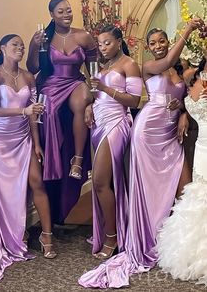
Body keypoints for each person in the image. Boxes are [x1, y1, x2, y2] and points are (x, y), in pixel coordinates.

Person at [79, 18, 204, 289]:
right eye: (153, 43)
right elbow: (141, 94)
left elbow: (193, 93)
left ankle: (178, 245)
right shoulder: (148, 67)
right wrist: (189, 29)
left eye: (162, 42)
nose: (158, 47)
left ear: (167, 42)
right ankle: (148, 238)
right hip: (146, 132)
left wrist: (182, 111)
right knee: (148, 192)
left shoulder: (181, 69)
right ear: (147, 48)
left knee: (184, 189)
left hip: (170, 134)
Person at [0, 34, 56, 290]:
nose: (19, 49)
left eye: (21, 45)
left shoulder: (29, 77)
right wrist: (24, 111)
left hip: (23, 136)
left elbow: (34, 114)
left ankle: (47, 236)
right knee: (5, 191)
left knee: (36, 181)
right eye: (14, 45)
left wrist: (38, 142)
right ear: (3, 48)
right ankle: (10, 235)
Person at [27, 0, 97, 224]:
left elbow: (94, 70)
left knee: (80, 100)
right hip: (51, 85)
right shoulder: (45, 38)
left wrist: (94, 98)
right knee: (46, 114)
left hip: (75, 82)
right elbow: (33, 67)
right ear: (51, 15)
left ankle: (76, 159)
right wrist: (34, 45)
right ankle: (52, 167)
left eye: (69, 10)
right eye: (61, 11)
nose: (67, 14)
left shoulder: (83, 36)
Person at [84, 25, 142, 259]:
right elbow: (96, 95)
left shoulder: (130, 64)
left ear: (119, 41)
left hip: (117, 124)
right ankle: (111, 229)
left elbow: (135, 101)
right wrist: (89, 105)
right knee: (104, 181)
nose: (103, 48)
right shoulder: (103, 65)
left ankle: (112, 236)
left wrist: (105, 87)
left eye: (107, 43)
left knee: (99, 181)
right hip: (98, 124)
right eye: (100, 44)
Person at [156, 51, 207, 286]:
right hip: (201, 148)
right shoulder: (191, 75)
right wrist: (183, 112)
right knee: (198, 197)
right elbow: (185, 99)